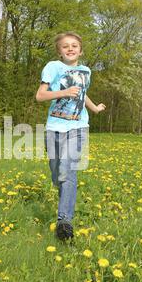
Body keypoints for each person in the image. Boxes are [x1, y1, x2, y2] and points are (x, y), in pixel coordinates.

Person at [35, 32, 106, 241]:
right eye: (65, 46)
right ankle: (61, 186)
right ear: (59, 51)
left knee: (69, 172)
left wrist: (94, 108)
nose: (70, 48)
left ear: (81, 50)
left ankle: (64, 222)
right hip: (55, 127)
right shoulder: (53, 67)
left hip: (78, 127)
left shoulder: (86, 71)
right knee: (57, 173)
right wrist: (64, 93)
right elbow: (40, 96)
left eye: (74, 45)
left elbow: (82, 93)